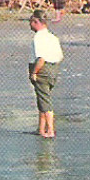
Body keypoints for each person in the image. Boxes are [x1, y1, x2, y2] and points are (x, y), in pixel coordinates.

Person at [28, 9, 63, 139]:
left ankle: (50, 130)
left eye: (31, 22)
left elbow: (41, 58)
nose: (30, 25)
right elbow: (60, 56)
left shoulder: (39, 37)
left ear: (37, 21)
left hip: (43, 69)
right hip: (53, 69)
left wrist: (34, 72)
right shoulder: (52, 37)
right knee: (42, 99)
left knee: (45, 101)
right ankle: (41, 129)